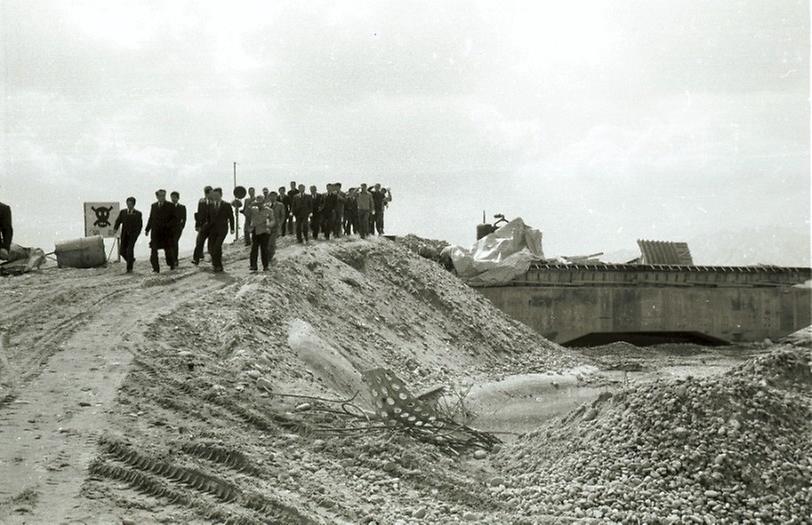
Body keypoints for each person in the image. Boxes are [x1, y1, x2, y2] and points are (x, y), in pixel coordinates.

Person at [145, 189, 177, 273]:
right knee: (153, 251)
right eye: (160, 196)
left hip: (166, 233)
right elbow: (151, 218)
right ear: (157, 196)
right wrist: (147, 229)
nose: (162, 197)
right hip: (155, 233)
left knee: (168, 251)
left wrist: (168, 226)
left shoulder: (170, 205)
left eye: (164, 195)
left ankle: (171, 265)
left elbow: (174, 219)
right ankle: (156, 269)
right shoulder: (154, 206)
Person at [205, 188, 234, 273]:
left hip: (223, 229)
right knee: (210, 247)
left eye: (217, 195)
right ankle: (215, 265)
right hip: (213, 230)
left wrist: (232, 228)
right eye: (214, 195)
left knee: (217, 246)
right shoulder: (210, 205)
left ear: (221, 195)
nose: (215, 197)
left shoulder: (226, 205)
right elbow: (208, 218)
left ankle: (219, 266)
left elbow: (231, 217)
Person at [113, 197, 142, 273]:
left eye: (130, 204)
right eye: (128, 204)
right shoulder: (123, 212)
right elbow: (118, 221)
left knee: (129, 250)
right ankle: (131, 260)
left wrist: (137, 234)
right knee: (122, 251)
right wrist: (115, 229)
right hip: (124, 234)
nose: (129, 205)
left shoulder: (138, 214)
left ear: (133, 204)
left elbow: (140, 226)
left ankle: (129, 268)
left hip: (133, 235)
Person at [247, 194, 274, 271]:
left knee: (264, 249)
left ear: (263, 202)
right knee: (254, 249)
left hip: (264, 231)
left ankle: (265, 266)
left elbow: (272, 220)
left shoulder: (269, 210)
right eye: (257, 201)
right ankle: (253, 266)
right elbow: (246, 213)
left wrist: (269, 225)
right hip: (255, 231)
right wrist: (251, 205)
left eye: (260, 202)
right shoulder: (253, 209)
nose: (259, 203)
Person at [192, 186, 213, 265]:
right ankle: (196, 259)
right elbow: (199, 214)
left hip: (212, 225)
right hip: (203, 226)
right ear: (207, 193)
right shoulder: (201, 201)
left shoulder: (214, 201)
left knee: (211, 243)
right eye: (210, 192)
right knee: (199, 242)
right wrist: (197, 225)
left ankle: (212, 258)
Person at [267, 191, 285, 261]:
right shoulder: (267, 205)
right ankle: (269, 255)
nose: (272, 198)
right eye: (271, 196)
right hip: (268, 226)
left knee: (272, 242)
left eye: (274, 196)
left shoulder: (280, 205)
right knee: (267, 243)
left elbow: (283, 215)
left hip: (276, 226)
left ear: (276, 197)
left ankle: (270, 256)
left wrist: (280, 224)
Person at [170, 191, 186, 267]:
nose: (173, 199)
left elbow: (184, 218)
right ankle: (172, 259)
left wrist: (181, 227)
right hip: (169, 229)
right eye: (172, 197)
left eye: (174, 197)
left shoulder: (182, 207)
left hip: (178, 229)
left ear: (178, 198)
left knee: (175, 242)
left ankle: (175, 259)